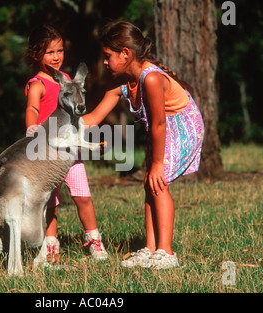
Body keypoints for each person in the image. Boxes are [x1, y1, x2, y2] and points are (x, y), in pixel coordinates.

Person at [82, 21, 204, 269]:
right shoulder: (122, 83)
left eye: (108, 56)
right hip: (161, 130)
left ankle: (167, 253)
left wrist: (158, 163)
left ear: (125, 53)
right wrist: (51, 128)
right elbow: (93, 119)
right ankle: (150, 249)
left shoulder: (151, 79)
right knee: (150, 185)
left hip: (183, 126)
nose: (105, 62)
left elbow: (159, 123)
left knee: (158, 184)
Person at [24, 24, 108, 266]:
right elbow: (32, 109)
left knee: (82, 195)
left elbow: (76, 114)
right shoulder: (37, 83)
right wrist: (32, 129)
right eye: (50, 52)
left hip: (71, 150)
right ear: (35, 54)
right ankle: (51, 244)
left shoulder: (68, 80)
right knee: (51, 200)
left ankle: (93, 239)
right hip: (49, 151)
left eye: (59, 51)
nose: (56, 57)